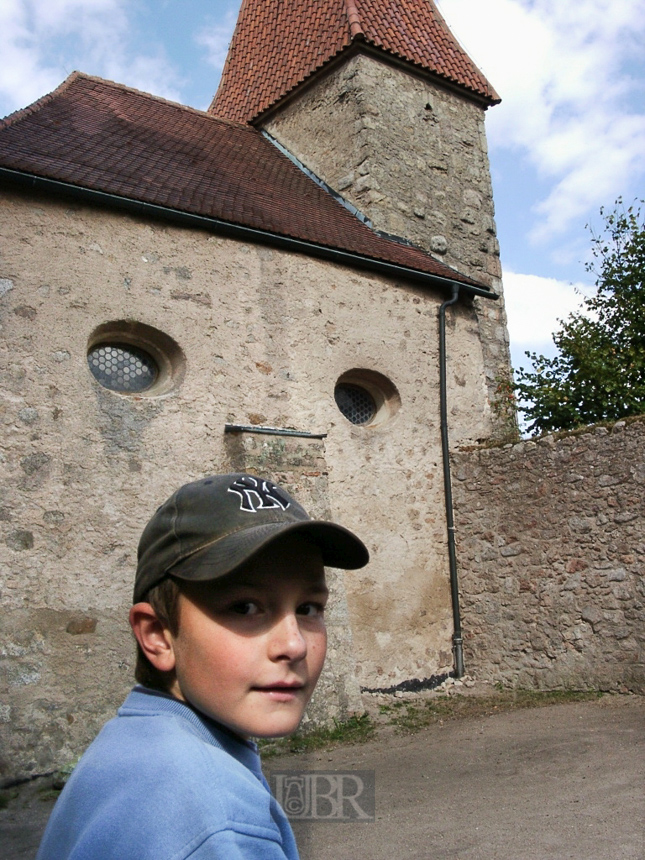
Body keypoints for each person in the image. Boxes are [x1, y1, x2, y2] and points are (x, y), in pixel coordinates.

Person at [36, 473, 369, 859]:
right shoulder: (219, 824)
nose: (294, 645)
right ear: (158, 635)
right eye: (244, 607)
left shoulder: (132, 748)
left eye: (308, 608)